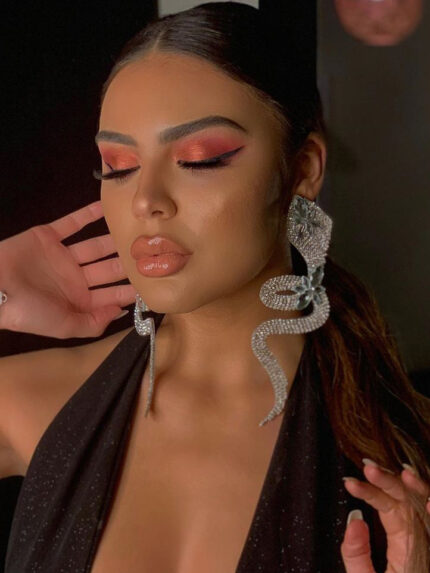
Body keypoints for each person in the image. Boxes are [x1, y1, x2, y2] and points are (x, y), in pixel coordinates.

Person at [0, 2, 429, 572]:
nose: (146, 201)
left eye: (200, 160)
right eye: (119, 166)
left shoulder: (403, 455)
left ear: (303, 169)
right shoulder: (33, 402)